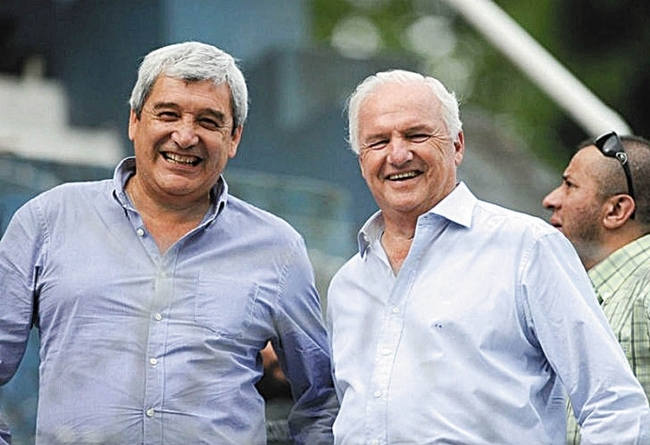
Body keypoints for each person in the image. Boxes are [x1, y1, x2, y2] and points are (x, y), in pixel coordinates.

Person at [0, 41, 337, 444]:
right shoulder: (47, 221)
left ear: (234, 138)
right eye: (168, 114)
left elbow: (322, 401)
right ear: (134, 120)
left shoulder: (277, 249)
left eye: (208, 122)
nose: (185, 136)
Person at [326, 69, 650, 444]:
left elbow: (614, 408)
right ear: (361, 159)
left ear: (457, 145)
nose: (398, 155)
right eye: (378, 142)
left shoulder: (527, 248)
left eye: (416, 135)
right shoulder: (347, 285)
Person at [542, 132, 650, 444]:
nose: (551, 199)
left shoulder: (645, 289)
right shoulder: (589, 292)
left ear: (616, 210)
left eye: (570, 185)